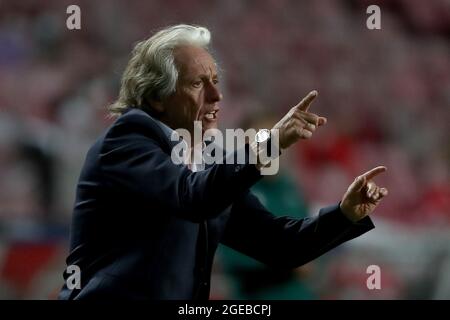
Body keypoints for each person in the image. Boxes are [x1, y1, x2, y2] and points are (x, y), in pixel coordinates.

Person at [58, 24, 388, 300]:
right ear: (157, 96)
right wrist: (269, 143)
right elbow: (192, 198)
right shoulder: (126, 141)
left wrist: (344, 214)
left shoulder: (206, 160)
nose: (217, 96)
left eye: (216, 81)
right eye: (198, 83)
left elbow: (279, 246)